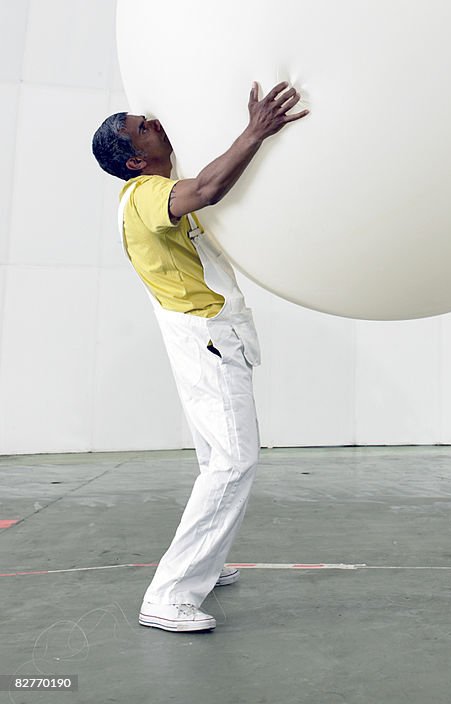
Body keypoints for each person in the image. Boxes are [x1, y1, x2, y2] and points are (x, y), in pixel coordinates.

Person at [91, 81, 308, 633]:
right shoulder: (144, 193)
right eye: (143, 127)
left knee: (218, 459)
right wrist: (256, 129)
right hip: (206, 338)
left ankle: (204, 563)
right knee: (236, 461)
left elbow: (208, 185)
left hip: (196, 335)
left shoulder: (147, 191)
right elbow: (209, 187)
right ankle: (170, 593)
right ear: (136, 157)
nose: (156, 122)